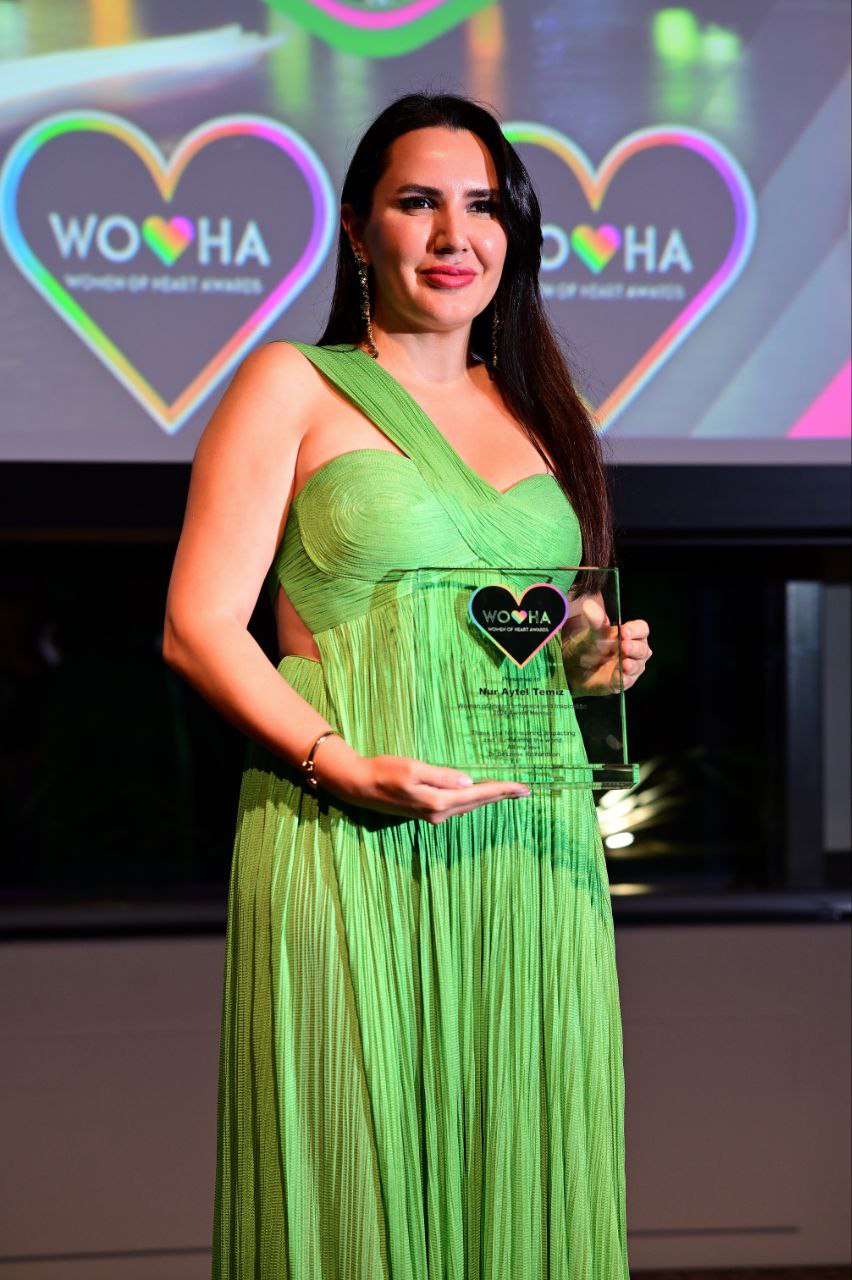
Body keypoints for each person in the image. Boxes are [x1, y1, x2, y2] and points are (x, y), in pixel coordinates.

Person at [164, 91, 652, 1279]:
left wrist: (588, 657)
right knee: (352, 1175)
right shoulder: (294, 382)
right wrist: (339, 763)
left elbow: (530, 626)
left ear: (513, 231)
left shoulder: (541, 412)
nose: (453, 234)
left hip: (527, 845)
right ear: (357, 227)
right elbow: (197, 627)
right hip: (343, 825)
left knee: (522, 1172)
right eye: (418, 201)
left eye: (482, 206)